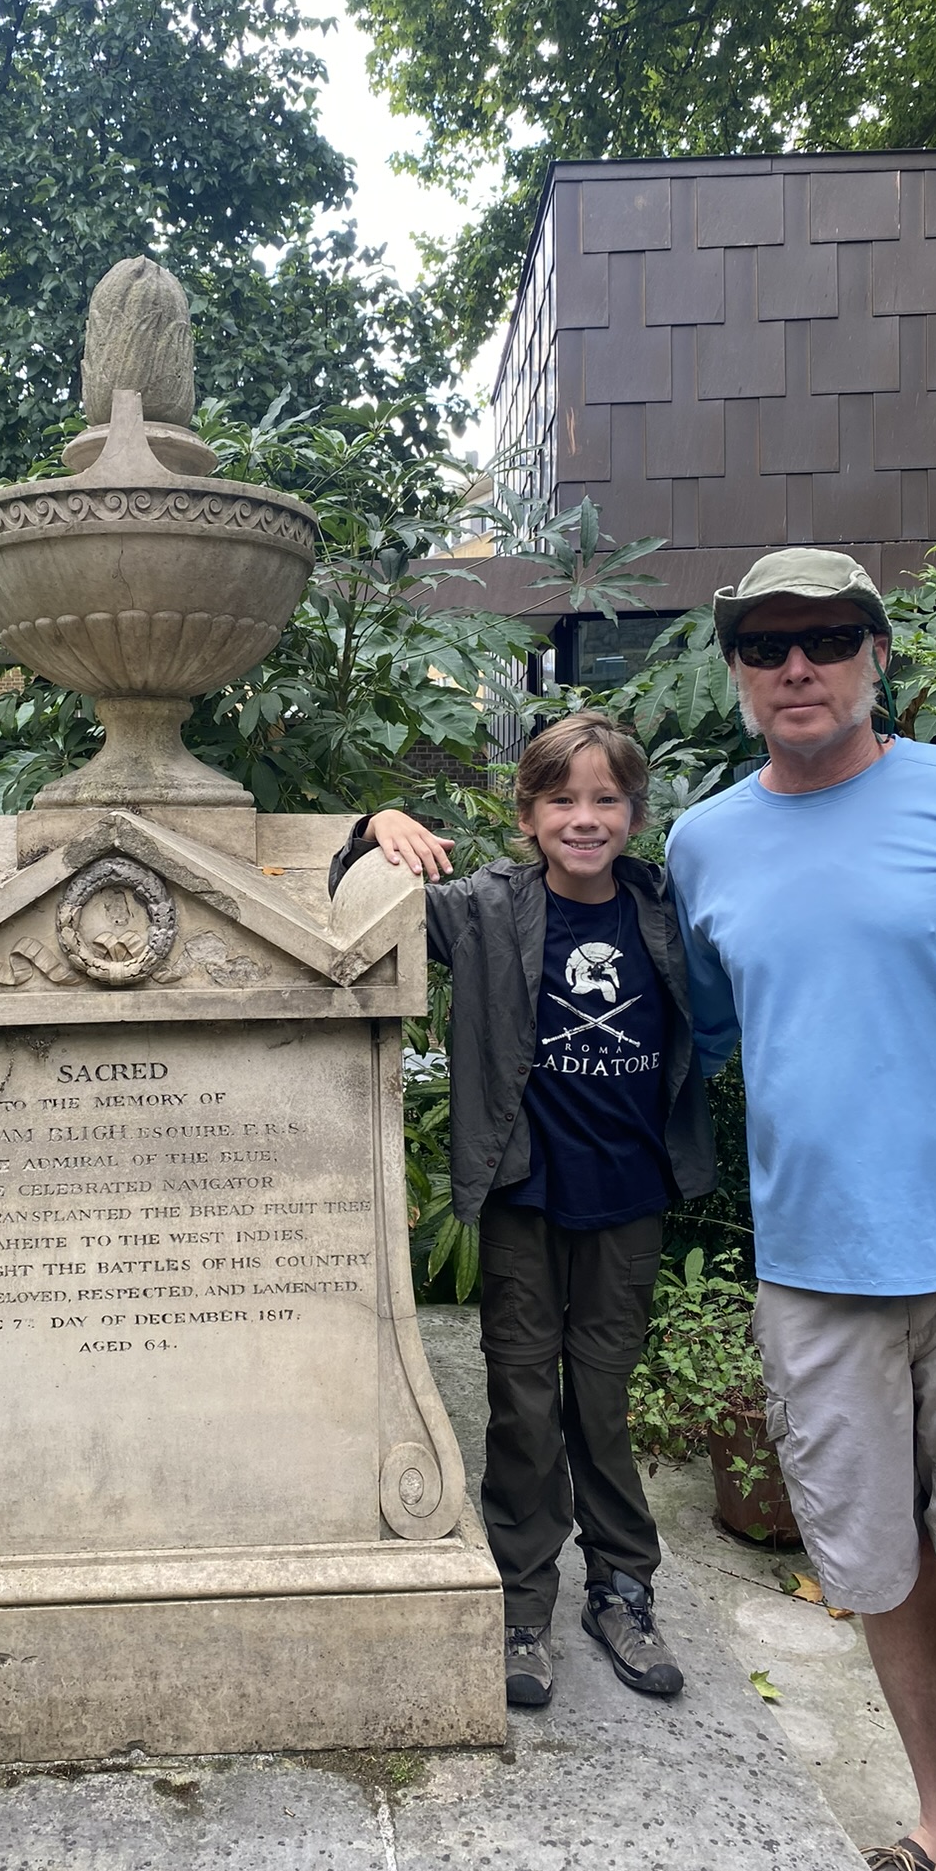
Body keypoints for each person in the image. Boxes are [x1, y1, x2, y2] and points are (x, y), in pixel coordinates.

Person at [665, 547, 936, 1871]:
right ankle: (935, 1821)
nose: (797, 665)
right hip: (815, 1267)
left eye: (828, 638)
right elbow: (708, 1028)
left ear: (877, 655)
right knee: (878, 1574)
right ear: (736, 669)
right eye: (766, 644)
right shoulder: (703, 841)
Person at [329, 711, 716, 1708]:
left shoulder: (666, 908)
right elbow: (352, 910)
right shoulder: (484, 909)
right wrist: (374, 827)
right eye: (562, 799)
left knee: (602, 1401)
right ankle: (521, 1598)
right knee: (524, 1402)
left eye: (605, 799)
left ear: (635, 813)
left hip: (628, 1197)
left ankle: (622, 1588)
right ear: (529, 813)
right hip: (524, 1194)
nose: (585, 818)